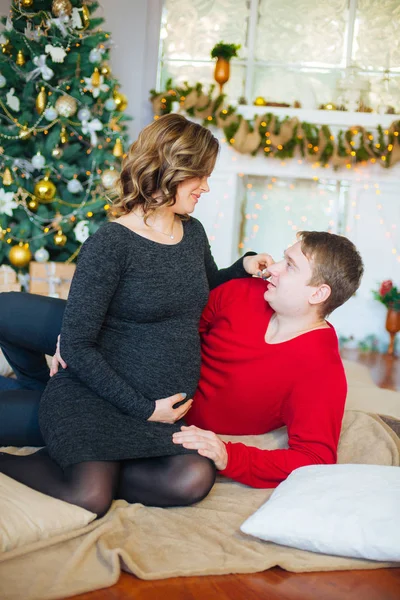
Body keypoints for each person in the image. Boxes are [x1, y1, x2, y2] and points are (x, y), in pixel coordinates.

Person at [0, 113, 270, 517]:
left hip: (156, 415)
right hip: (97, 401)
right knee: (88, 498)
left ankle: (102, 464)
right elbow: (76, 344)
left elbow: (204, 287)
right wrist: (146, 409)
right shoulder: (111, 244)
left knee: (193, 477)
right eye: (199, 176)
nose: (206, 187)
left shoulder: (191, 232)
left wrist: (242, 267)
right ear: (169, 170)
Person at [172, 230, 364, 487]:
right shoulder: (239, 292)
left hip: (187, 441)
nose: (273, 268)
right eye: (282, 259)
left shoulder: (321, 370)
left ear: (317, 294)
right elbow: (174, 336)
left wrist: (229, 455)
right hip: (152, 407)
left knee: (188, 481)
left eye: (290, 266)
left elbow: (315, 458)